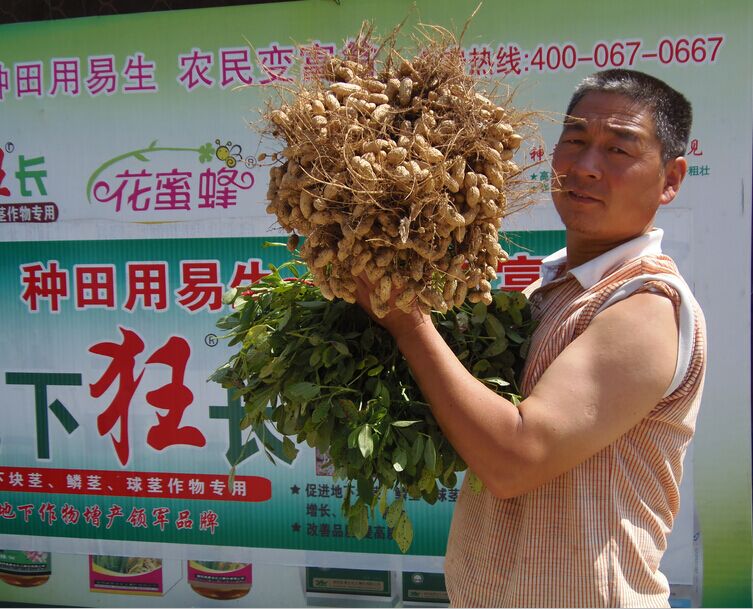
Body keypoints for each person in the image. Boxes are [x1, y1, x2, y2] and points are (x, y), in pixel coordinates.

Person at [354, 69, 706, 607]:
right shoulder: (548, 293)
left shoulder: (647, 306)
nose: (585, 167)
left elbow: (515, 459)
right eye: (575, 140)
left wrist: (408, 322)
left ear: (670, 178)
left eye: (619, 149)